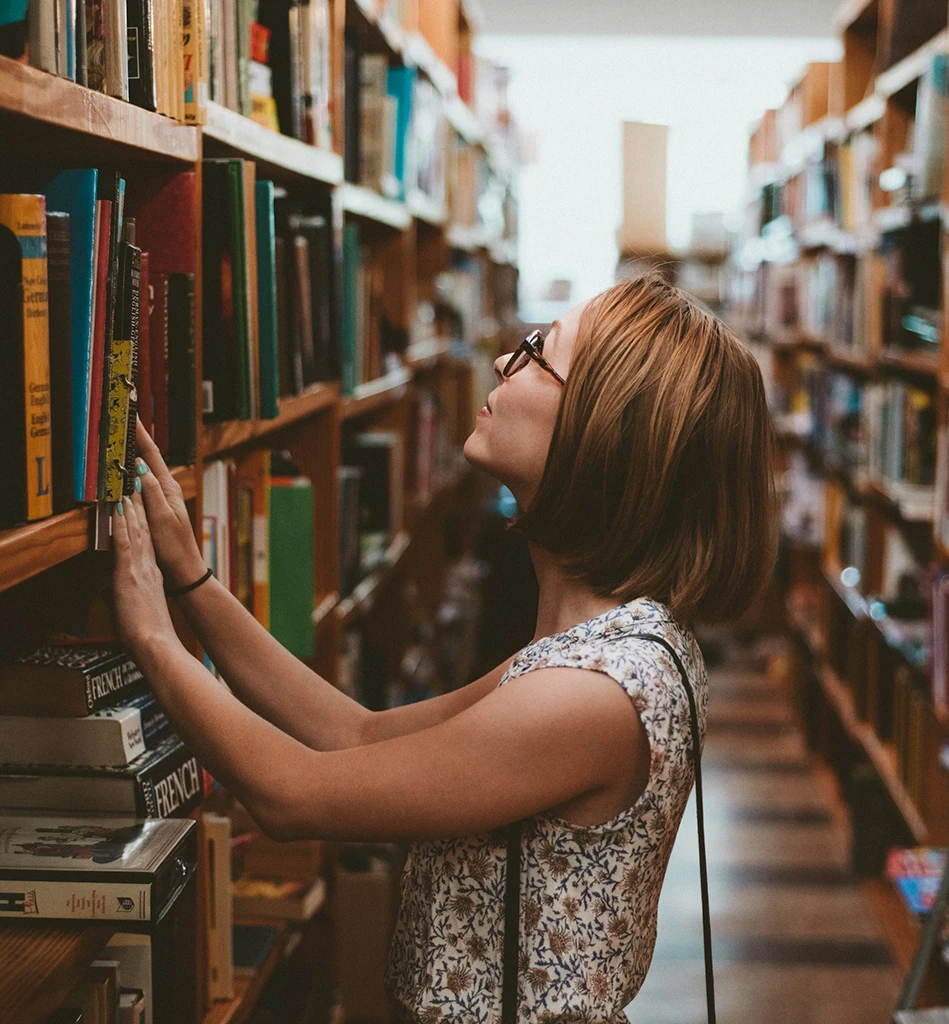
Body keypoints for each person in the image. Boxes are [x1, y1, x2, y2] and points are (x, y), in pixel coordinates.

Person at [110, 272, 777, 1023]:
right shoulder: (597, 649)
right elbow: (353, 734)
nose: (503, 362)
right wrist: (192, 582)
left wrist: (153, 640)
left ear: (604, 433)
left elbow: (289, 795)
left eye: (538, 353)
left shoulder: (593, 691)